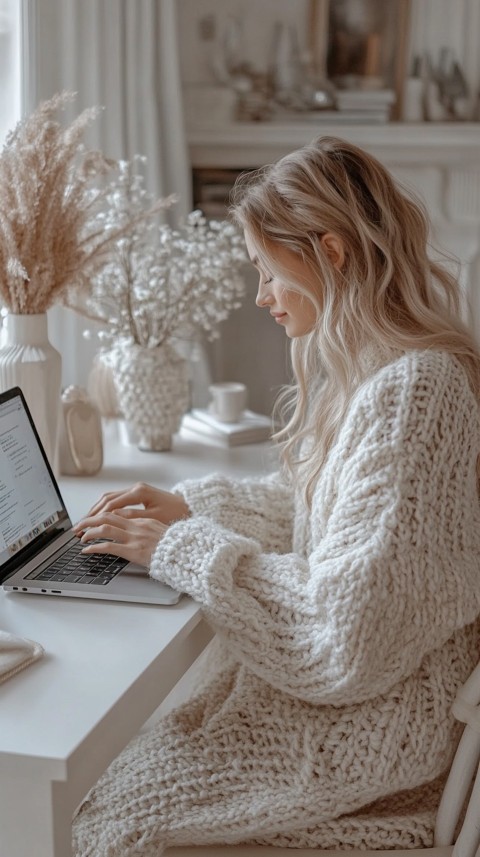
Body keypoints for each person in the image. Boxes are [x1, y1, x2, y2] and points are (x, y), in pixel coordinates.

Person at [72, 136, 480, 856]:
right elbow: (320, 512)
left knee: (109, 810)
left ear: (331, 253)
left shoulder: (417, 390)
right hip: (364, 707)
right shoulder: (383, 371)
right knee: (113, 776)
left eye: (267, 271)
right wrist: (187, 508)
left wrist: (180, 547)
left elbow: (347, 634)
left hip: (373, 737)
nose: (260, 296)